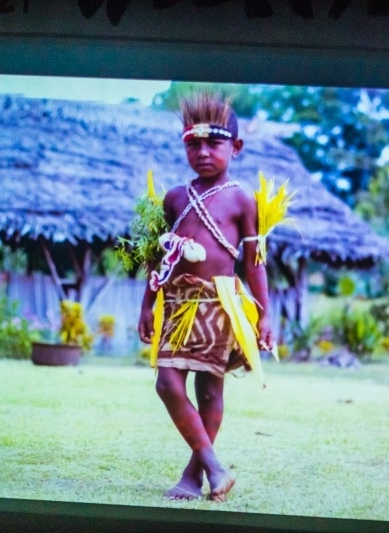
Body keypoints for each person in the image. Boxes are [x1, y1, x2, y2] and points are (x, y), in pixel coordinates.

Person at [137, 93, 274, 502]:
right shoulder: (174, 198)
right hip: (176, 304)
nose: (202, 153)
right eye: (192, 145)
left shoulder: (241, 198)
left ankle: (195, 476)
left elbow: (254, 263)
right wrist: (147, 305)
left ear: (236, 147)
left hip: (219, 304)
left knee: (211, 392)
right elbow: (157, 257)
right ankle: (214, 467)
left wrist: (264, 315)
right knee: (167, 383)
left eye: (213, 144)